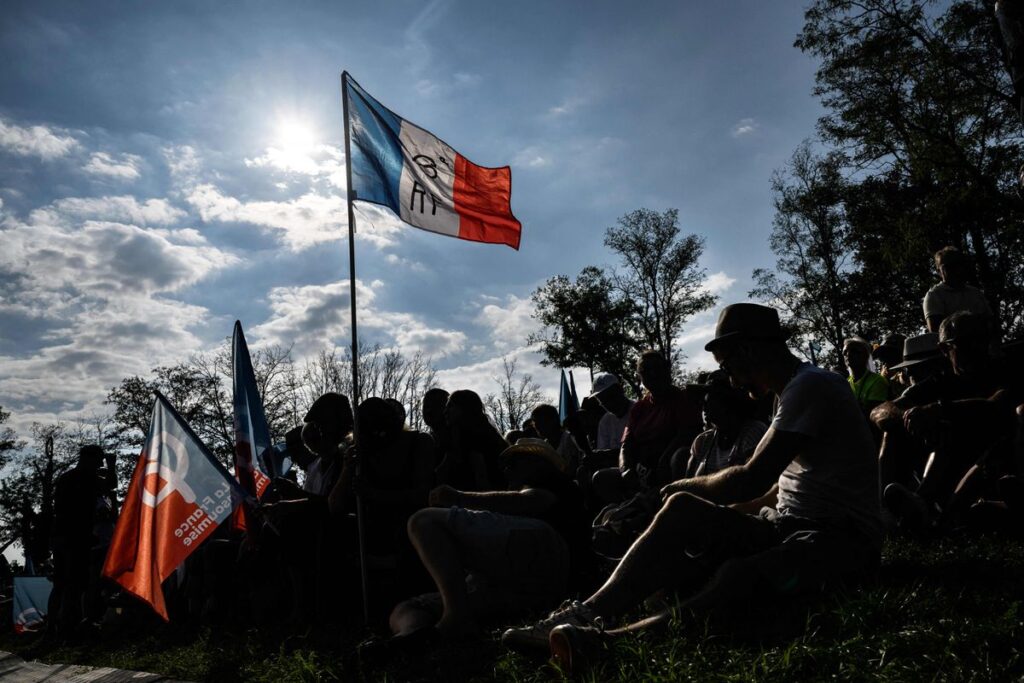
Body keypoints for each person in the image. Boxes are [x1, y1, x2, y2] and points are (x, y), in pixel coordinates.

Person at [502, 304, 882, 674]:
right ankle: (591, 609)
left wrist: (676, 485)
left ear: (747, 350)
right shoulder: (790, 392)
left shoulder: (810, 386)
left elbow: (750, 477)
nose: (730, 377)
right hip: (790, 524)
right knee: (685, 509)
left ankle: (608, 640)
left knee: (736, 572)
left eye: (727, 363)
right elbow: (779, 490)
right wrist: (706, 515)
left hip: (842, 538)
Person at [386, 438, 588, 643]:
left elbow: (529, 501)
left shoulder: (552, 484)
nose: (507, 471)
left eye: (514, 463)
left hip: (551, 562)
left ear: (539, 462)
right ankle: (413, 636)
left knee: (423, 520)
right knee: (408, 608)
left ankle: (456, 618)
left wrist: (458, 497)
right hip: (512, 587)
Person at [879, 312, 1022, 531]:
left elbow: (996, 405)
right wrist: (908, 415)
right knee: (892, 430)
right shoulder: (939, 382)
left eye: (981, 339)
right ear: (945, 350)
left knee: (949, 425)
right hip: (953, 462)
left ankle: (935, 508)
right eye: (964, 343)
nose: (976, 348)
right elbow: (880, 411)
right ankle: (886, 510)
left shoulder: (1004, 370)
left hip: (993, 458)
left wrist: (940, 411)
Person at [591, 350, 702, 502]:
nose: (652, 374)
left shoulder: (682, 399)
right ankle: (629, 510)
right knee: (601, 478)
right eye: (646, 371)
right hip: (641, 469)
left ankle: (673, 502)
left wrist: (663, 461)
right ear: (640, 377)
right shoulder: (639, 408)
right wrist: (626, 469)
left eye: (657, 368)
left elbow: (687, 433)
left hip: (667, 467)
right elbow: (626, 445)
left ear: (667, 369)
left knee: (680, 456)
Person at [50, 444, 115, 637]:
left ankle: (52, 628)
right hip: (75, 538)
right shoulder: (86, 478)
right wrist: (112, 465)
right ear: (89, 459)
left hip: (61, 536)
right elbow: (110, 484)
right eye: (99, 460)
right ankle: (68, 628)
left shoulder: (65, 478)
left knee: (61, 584)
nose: (101, 463)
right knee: (75, 584)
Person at [684, 372, 768, 478]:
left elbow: (753, 480)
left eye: (709, 398)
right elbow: (687, 483)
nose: (703, 404)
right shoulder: (703, 441)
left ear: (728, 401)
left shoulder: (753, 432)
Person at [435, 390, 508, 491]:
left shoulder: (476, 439)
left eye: (450, 406)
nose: (445, 411)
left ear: (465, 408)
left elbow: (481, 479)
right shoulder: (454, 438)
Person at [922, 246, 993, 333]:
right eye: (948, 266)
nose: (954, 270)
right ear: (938, 271)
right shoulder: (934, 295)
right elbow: (936, 331)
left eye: (956, 265)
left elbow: (991, 322)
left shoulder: (975, 293)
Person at [844, 336, 889, 415]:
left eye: (854, 351)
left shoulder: (877, 381)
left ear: (865, 356)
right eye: (845, 352)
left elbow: (872, 414)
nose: (848, 354)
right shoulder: (846, 383)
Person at [590, 374, 634, 451]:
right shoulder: (605, 422)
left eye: (610, 396)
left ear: (620, 389)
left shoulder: (640, 410)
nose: (609, 403)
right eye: (602, 400)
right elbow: (603, 451)